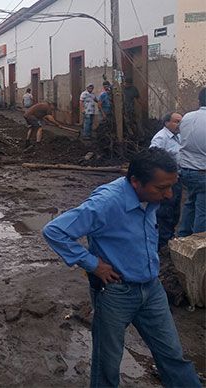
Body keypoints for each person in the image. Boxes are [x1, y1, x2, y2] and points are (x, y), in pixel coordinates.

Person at [43, 148, 201, 388]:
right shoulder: (107, 203)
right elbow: (55, 231)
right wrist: (93, 264)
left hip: (152, 288)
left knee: (172, 356)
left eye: (171, 186)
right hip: (116, 292)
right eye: (161, 188)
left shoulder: (149, 197)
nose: (169, 195)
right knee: (107, 365)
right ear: (135, 182)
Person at [150, 112, 183, 248]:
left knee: (175, 211)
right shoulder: (160, 138)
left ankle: (169, 237)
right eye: (176, 121)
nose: (179, 125)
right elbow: (153, 158)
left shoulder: (179, 137)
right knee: (165, 211)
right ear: (166, 123)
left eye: (181, 122)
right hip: (166, 182)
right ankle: (162, 242)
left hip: (178, 178)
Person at [178, 88, 206, 237]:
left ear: (199, 101)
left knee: (190, 204)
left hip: (186, 171)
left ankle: (182, 237)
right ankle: (198, 247)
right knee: (203, 212)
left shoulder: (187, 117)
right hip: (203, 172)